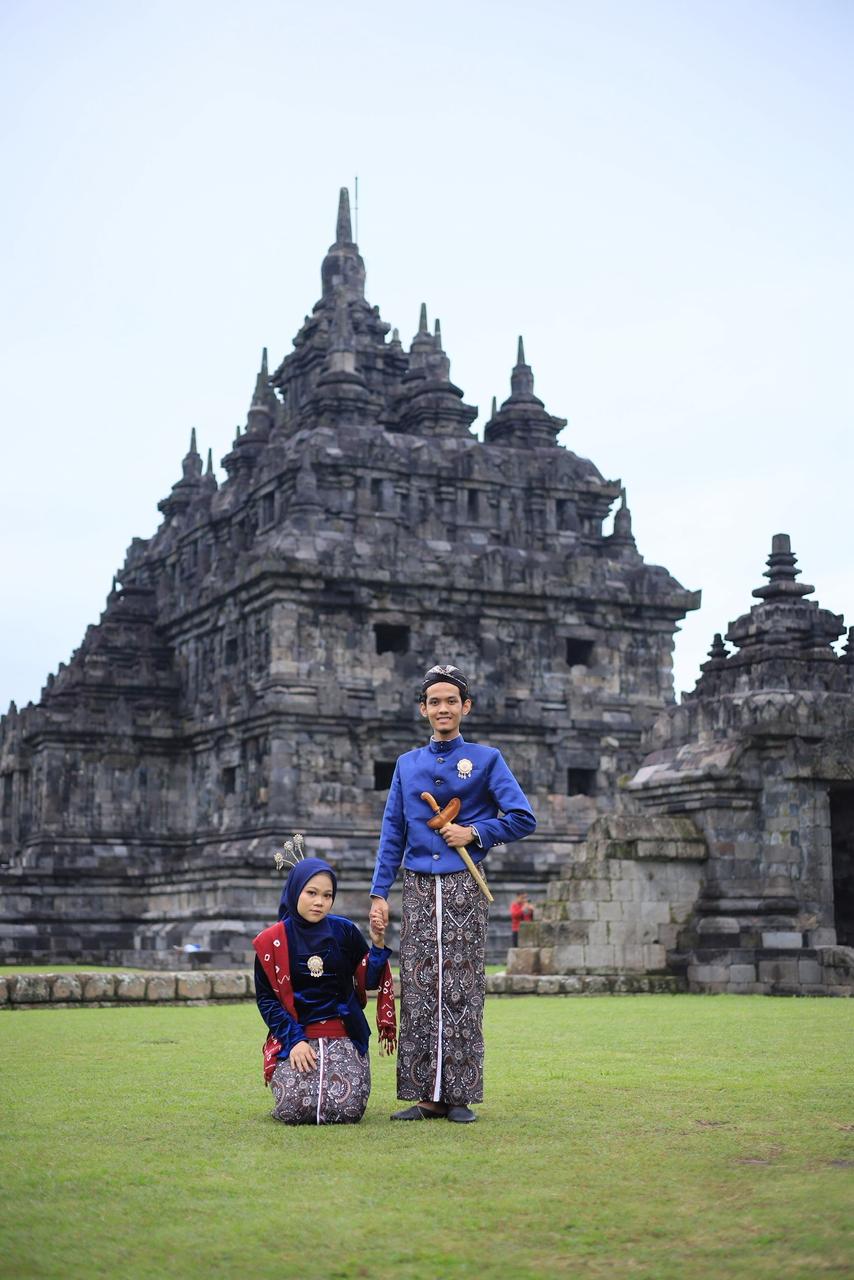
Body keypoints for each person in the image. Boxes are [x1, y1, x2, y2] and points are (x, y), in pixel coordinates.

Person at [369, 664, 536, 1123]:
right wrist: (379, 893)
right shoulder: (407, 765)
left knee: (462, 985)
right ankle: (425, 1095)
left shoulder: (487, 759)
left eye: (451, 701)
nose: (443, 708)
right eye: (434, 701)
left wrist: (474, 833)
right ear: (423, 709)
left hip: (465, 884)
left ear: (466, 707)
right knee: (420, 984)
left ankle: (459, 1094)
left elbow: (522, 818)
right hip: (418, 886)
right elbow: (393, 832)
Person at [253, 850, 396, 1125]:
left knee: (347, 1109)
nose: (319, 902)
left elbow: (367, 981)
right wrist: (294, 1041)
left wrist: (377, 943)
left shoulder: (345, 931)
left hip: (344, 1033)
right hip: (296, 1035)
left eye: (327, 895)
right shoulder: (271, 942)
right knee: (293, 1109)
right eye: (311, 893)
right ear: (295, 891)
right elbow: (267, 1001)